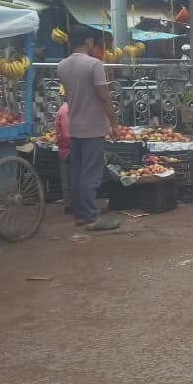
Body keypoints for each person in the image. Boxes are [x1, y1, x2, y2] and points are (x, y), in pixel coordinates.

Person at [58, 26, 121, 232]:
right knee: (91, 174)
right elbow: (103, 96)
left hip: (74, 125)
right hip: (93, 127)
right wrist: (114, 123)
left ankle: (80, 215)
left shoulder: (62, 65)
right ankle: (92, 218)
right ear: (88, 42)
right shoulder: (94, 64)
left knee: (77, 173)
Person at [55, 101, 73, 216]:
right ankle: (72, 206)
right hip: (69, 151)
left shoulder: (66, 109)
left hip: (67, 150)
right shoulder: (67, 110)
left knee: (68, 180)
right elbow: (68, 136)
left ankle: (70, 205)